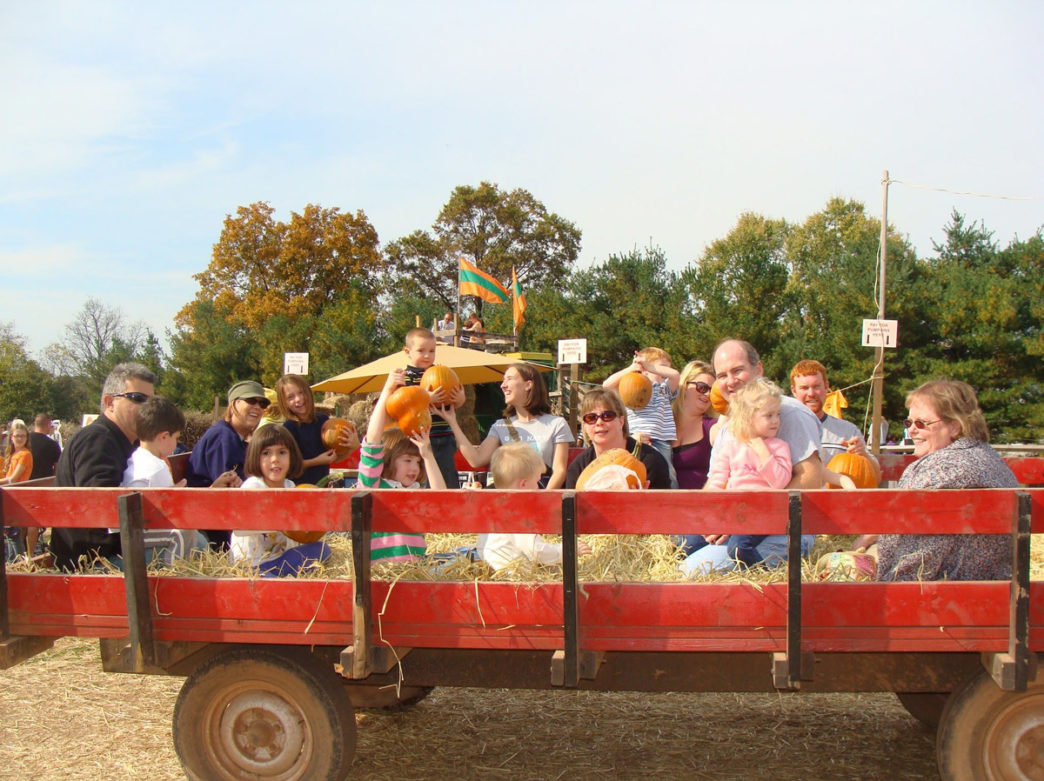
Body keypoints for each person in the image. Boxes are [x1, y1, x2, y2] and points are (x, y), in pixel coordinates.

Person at [680, 340, 821, 573]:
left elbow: (811, 478)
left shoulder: (788, 412)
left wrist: (747, 516)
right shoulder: (728, 426)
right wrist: (712, 516)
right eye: (722, 375)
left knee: (693, 572)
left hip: (783, 528)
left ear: (759, 370)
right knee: (678, 549)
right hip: (736, 524)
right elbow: (717, 479)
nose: (730, 381)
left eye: (738, 371)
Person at [875, 380, 1017, 581]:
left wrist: (884, 587)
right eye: (909, 422)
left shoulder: (940, 468)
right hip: (997, 589)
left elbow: (920, 555)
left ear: (954, 427)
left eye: (921, 423)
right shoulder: (990, 457)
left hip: (946, 594)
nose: (911, 431)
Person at [49, 363, 156, 571]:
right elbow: (100, 508)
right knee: (190, 546)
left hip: (113, 552)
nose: (149, 408)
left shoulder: (129, 441)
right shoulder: (97, 439)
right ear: (110, 402)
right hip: (92, 562)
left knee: (190, 541)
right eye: (139, 399)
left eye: (152, 401)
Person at [698, 380, 792, 569]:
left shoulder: (779, 447)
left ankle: (761, 576)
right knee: (688, 539)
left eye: (777, 414)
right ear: (748, 417)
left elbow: (780, 482)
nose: (776, 421)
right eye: (769, 415)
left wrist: (763, 452)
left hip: (762, 513)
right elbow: (717, 479)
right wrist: (713, 513)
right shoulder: (732, 446)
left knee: (739, 548)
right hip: (733, 511)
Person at [358, 369, 446, 562]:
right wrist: (388, 390)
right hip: (381, 576)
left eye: (417, 462)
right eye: (407, 460)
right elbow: (372, 440)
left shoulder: (416, 493)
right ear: (388, 459)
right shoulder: (374, 488)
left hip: (414, 578)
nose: (414, 468)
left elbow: (442, 498)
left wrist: (427, 455)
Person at [440, 363, 572, 489]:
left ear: (528, 385)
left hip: (543, 494)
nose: (503, 385)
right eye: (503, 380)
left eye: (509, 379)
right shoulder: (501, 427)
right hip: (510, 499)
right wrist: (453, 422)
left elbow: (559, 471)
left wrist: (543, 500)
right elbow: (476, 460)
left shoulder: (556, 424)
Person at [120, 397, 212, 566]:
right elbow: (171, 513)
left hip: (131, 531)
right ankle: (176, 573)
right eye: (176, 437)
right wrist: (179, 493)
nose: (177, 443)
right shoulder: (157, 467)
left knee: (198, 538)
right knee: (193, 537)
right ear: (164, 436)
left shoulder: (137, 457)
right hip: (145, 537)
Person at [230, 425, 331, 576]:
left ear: (292, 456)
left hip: (281, 559)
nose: (275, 459)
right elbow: (242, 527)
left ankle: (285, 578)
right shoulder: (253, 487)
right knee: (274, 588)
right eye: (266, 453)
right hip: (253, 564)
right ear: (255, 458)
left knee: (322, 549)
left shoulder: (290, 486)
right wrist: (283, 518)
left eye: (282, 452)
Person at [477, 442, 592, 571]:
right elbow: (535, 551)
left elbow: (482, 547)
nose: (538, 487)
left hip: (495, 571)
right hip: (515, 577)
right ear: (524, 484)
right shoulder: (518, 513)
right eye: (537, 481)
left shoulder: (494, 506)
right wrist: (566, 549)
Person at [185, 380, 263, 548]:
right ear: (234, 405)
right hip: (212, 533)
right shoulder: (223, 438)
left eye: (262, 403)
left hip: (216, 524)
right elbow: (229, 496)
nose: (258, 407)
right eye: (251, 401)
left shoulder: (235, 438)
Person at [603, 347, 680, 488]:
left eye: (662, 369)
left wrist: (652, 367)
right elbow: (607, 385)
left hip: (660, 441)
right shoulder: (628, 390)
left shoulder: (663, 390)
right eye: (660, 368)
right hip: (634, 439)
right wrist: (632, 368)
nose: (663, 373)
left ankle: (672, 498)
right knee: (632, 474)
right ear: (643, 370)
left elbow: (675, 375)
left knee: (669, 474)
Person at [565, 387, 671, 489]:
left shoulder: (650, 461)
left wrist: (639, 502)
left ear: (621, 421)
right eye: (591, 418)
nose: (599, 422)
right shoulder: (578, 468)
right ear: (584, 426)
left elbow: (663, 504)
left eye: (607, 416)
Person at [402, 326, 465, 489]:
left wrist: (459, 399)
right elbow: (401, 404)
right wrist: (425, 398)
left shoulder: (443, 373)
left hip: (444, 434)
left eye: (431, 351)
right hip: (418, 438)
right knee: (422, 480)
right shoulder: (405, 378)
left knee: (447, 478)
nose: (427, 355)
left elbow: (455, 400)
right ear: (407, 352)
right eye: (421, 351)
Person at [670, 360, 718, 555]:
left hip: (699, 516)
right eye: (701, 387)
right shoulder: (662, 422)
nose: (707, 394)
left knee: (682, 545)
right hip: (663, 513)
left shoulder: (712, 426)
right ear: (684, 385)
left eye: (712, 391)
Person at [790, 359, 877, 465]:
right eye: (804, 388)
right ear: (794, 390)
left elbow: (875, 474)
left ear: (826, 386)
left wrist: (863, 454)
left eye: (816, 386)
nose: (811, 393)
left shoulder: (848, 431)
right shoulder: (782, 428)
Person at [275, 374, 357, 486]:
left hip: (322, 486)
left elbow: (333, 458)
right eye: (291, 397)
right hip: (299, 488)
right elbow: (290, 467)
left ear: (308, 392)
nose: (298, 399)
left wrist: (352, 447)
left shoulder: (323, 420)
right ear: (284, 403)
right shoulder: (288, 428)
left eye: (301, 392)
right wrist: (317, 461)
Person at [1, 419, 35, 559]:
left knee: (12, 534)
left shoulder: (25, 454)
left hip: (17, 495)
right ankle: (12, 562)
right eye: (17, 436)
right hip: (9, 494)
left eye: (23, 436)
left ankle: (17, 561)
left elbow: (13, 479)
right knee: (10, 533)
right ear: (11, 437)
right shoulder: (14, 454)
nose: (20, 438)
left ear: (27, 438)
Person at [28, 413, 61, 480]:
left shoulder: (25, 440)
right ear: (48, 424)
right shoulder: (53, 445)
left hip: (24, 482)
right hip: (44, 483)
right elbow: (57, 469)